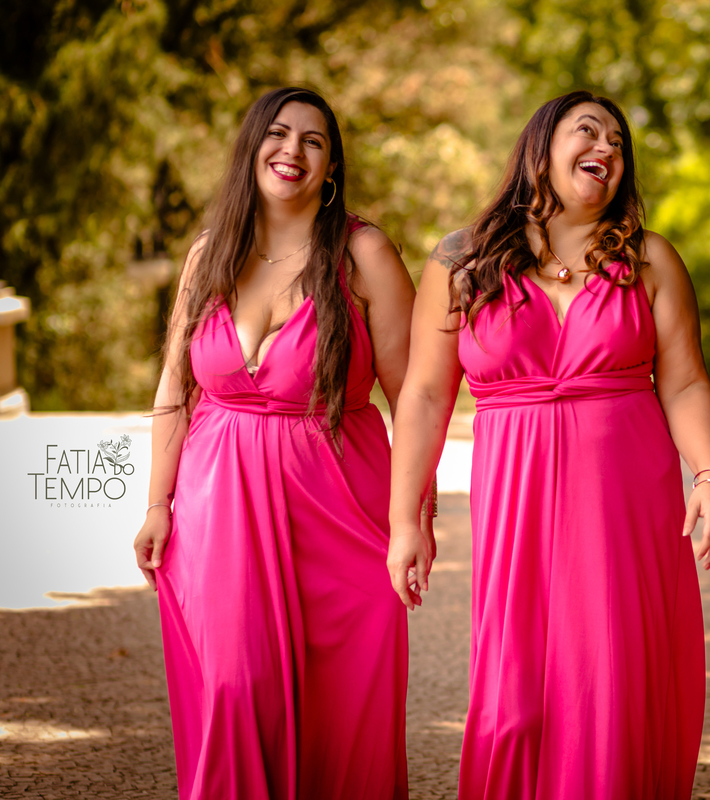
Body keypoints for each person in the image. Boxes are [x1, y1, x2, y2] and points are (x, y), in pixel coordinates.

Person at [387, 90, 710, 799]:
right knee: (517, 702)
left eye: (618, 140)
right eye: (588, 131)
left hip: (627, 508)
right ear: (539, 149)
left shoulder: (651, 259)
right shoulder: (462, 260)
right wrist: (406, 518)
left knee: (616, 685)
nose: (606, 146)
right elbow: (422, 396)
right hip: (519, 509)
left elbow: (687, 382)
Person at [131, 87, 421, 799]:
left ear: (331, 168)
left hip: (340, 515)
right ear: (251, 148)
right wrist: (157, 504)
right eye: (279, 134)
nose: (293, 151)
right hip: (216, 507)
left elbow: (414, 394)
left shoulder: (364, 253)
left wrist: (411, 518)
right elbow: (176, 386)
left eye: (314, 141)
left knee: (342, 708)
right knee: (235, 687)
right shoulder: (210, 257)